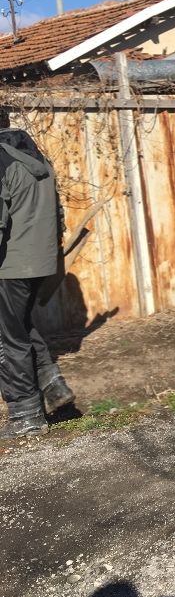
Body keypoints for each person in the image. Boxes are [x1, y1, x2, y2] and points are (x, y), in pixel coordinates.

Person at [0, 109, 75, 439]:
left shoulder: (1, 160)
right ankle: (51, 383)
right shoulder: (34, 155)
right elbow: (58, 213)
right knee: (19, 326)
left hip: (9, 265)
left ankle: (25, 414)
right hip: (39, 262)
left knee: (6, 340)